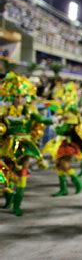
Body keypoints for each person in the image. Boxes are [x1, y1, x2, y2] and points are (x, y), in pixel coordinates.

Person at [0, 72, 52, 216]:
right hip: (8, 145)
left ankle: (17, 205)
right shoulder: (3, 111)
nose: (19, 99)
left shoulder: (29, 110)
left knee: (22, 172)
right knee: (7, 172)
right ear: (10, 96)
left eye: (21, 96)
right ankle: (8, 200)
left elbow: (42, 119)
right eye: (16, 96)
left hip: (25, 144)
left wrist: (56, 119)